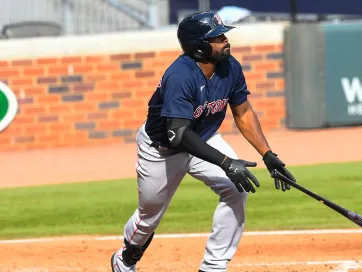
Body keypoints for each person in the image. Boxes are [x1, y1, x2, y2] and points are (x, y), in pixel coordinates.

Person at [110, 11, 296, 272]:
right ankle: (125, 259)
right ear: (198, 46)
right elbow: (178, 135)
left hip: (204, 138)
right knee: (149, 217)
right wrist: (226, 162)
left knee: (237, 188)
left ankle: (213, 267)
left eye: (223, 35)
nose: (225, 40)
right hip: (162, 149)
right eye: (217, 37)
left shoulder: (230, 67)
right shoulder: (180, 76)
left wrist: (268, 154)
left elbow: (242, 112)